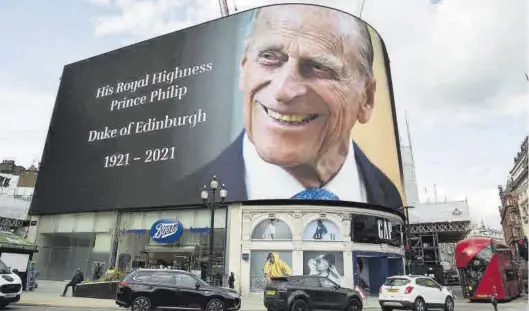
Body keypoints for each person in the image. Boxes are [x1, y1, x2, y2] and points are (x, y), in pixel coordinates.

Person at [178, 4, 402, 209]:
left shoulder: (391, 198)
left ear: (366, 98)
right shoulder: (184, 197)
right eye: (269, 57)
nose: (282, 91)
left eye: (318, 67)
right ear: (244, 69)